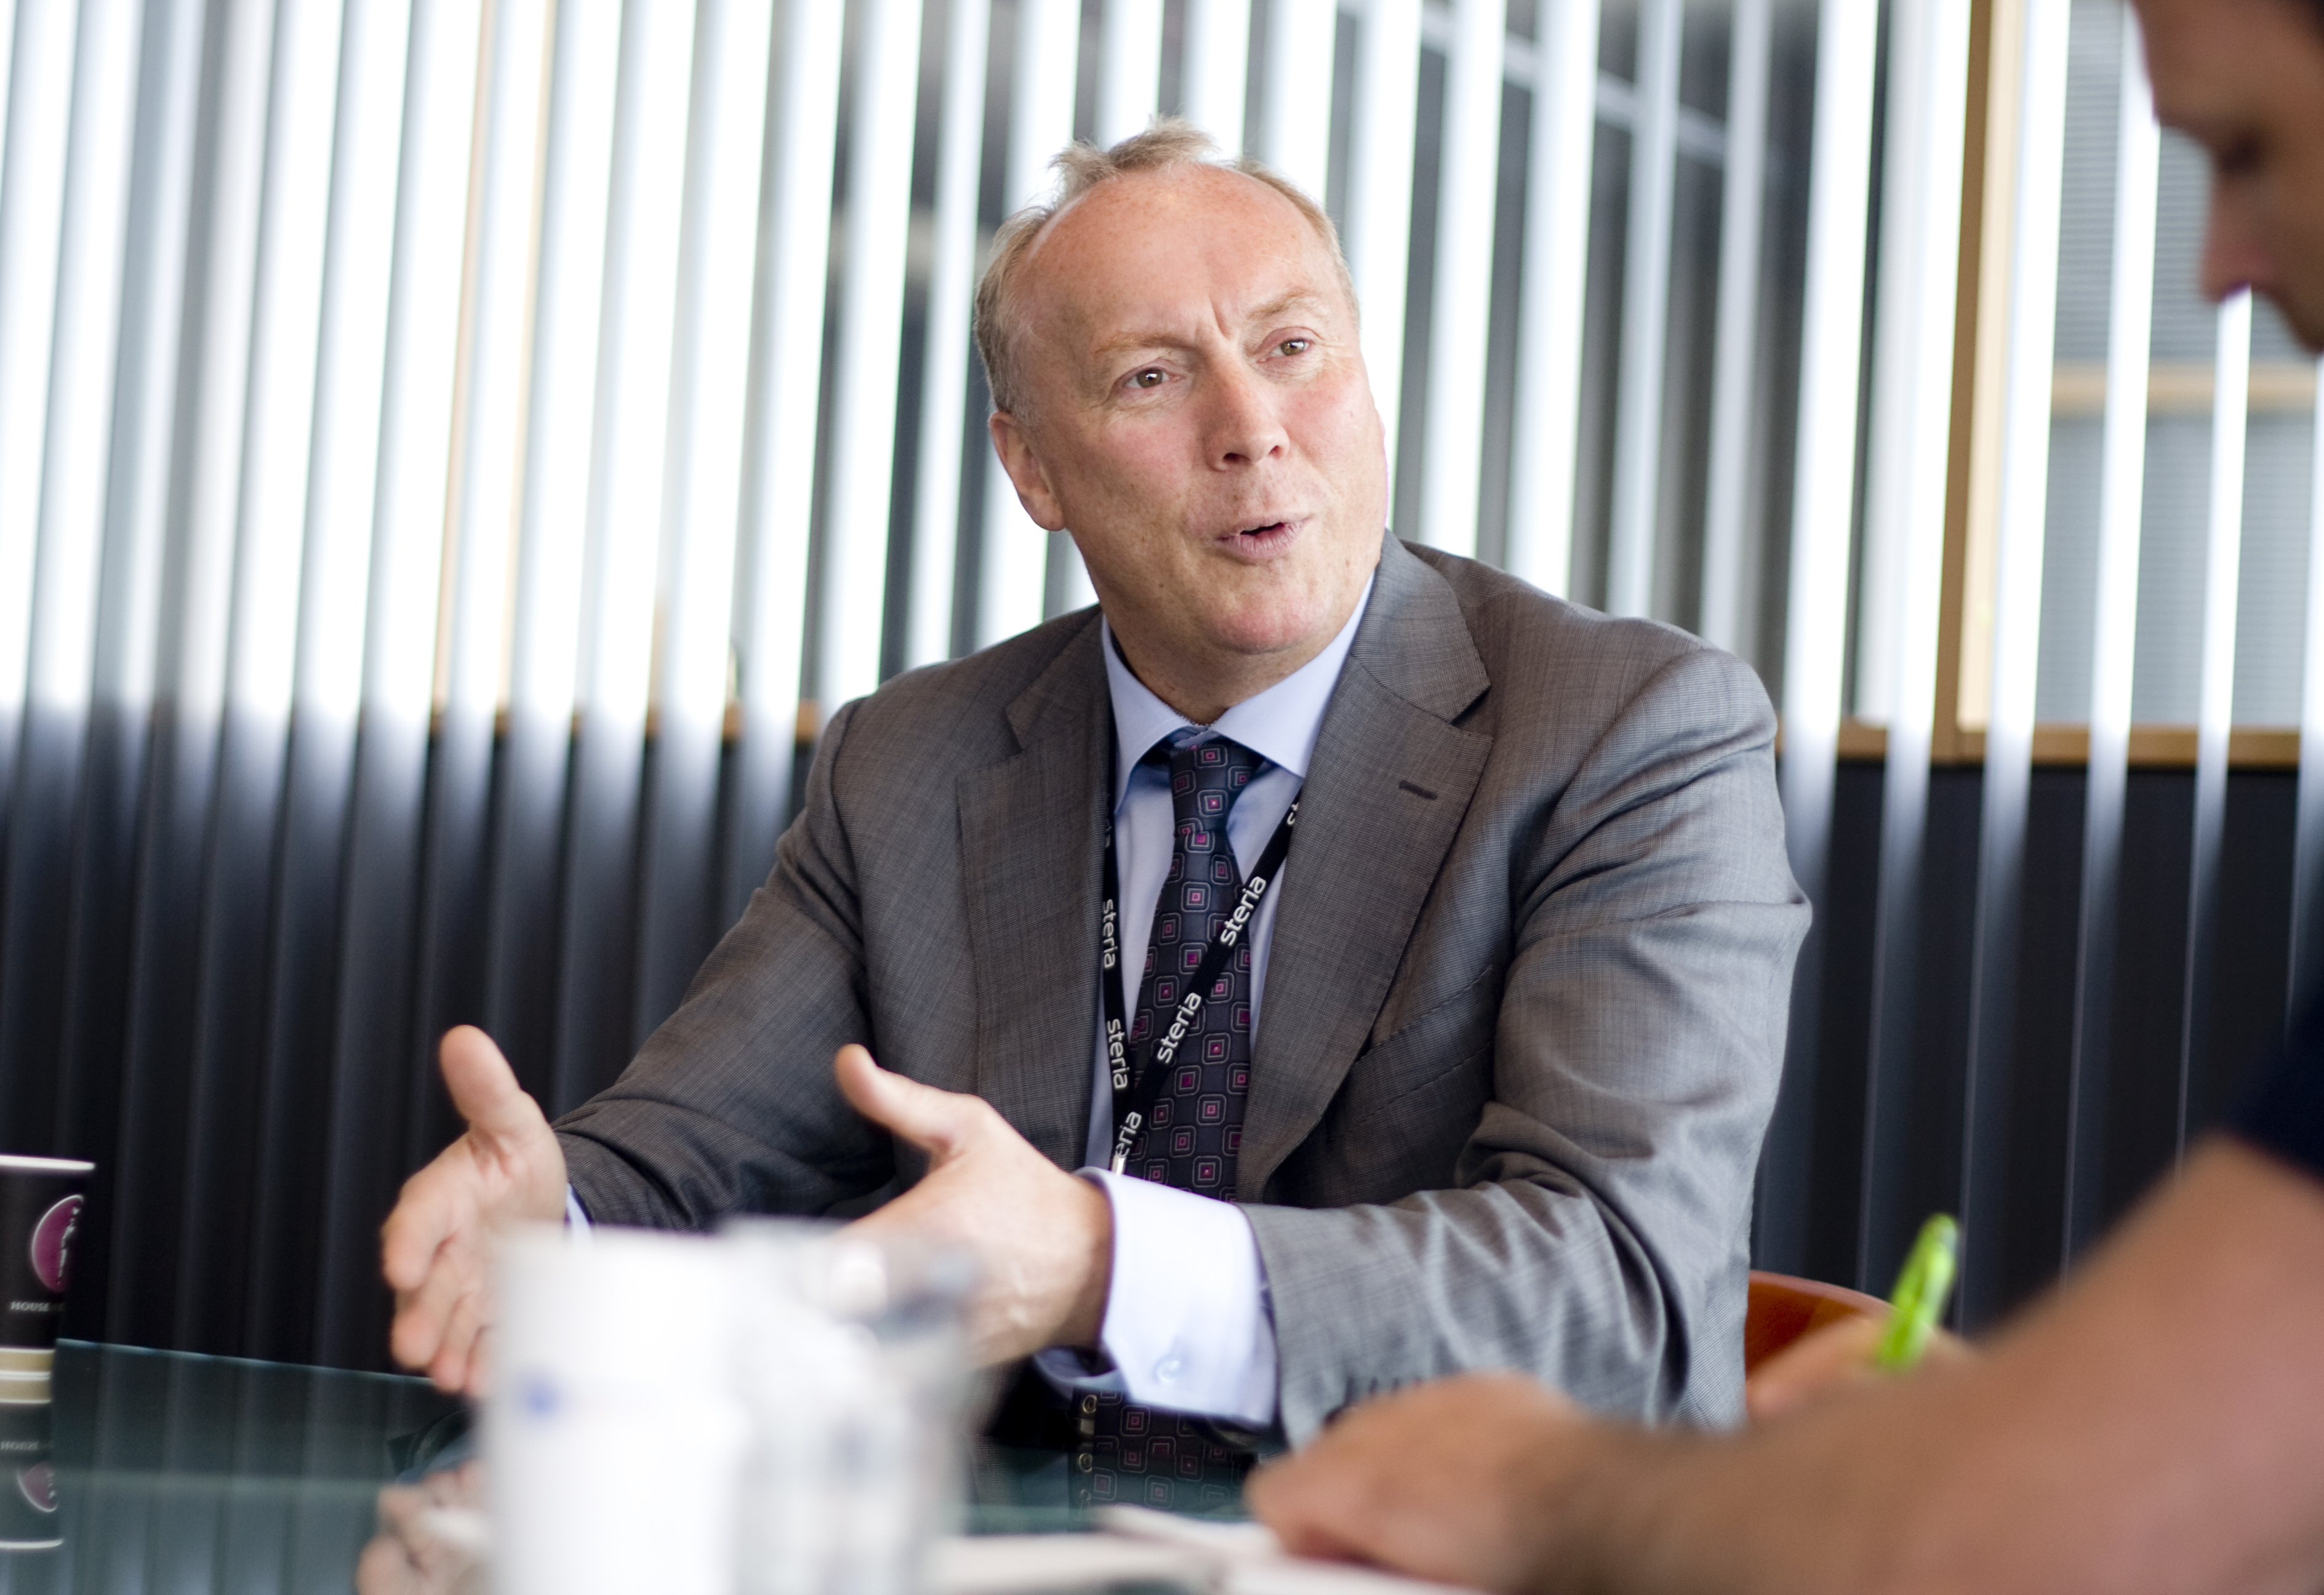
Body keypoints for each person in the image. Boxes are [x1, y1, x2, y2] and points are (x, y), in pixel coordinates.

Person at [381, 120, 1808, 1506]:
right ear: (1033, 469)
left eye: (1292, 348)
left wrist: (1101, 1263)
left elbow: (1622, 1292)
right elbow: (690, 1162)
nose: (1251, 430)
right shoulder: (913, 765)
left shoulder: (1625, 732)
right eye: (1150, 377)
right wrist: (551, 1224)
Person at [1247, 0, 2324, 1585]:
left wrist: (1548, 1489)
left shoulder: (1633, 722)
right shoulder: (915, 759)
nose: (2216, 266)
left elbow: (2087, 1517)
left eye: (2249, 149)